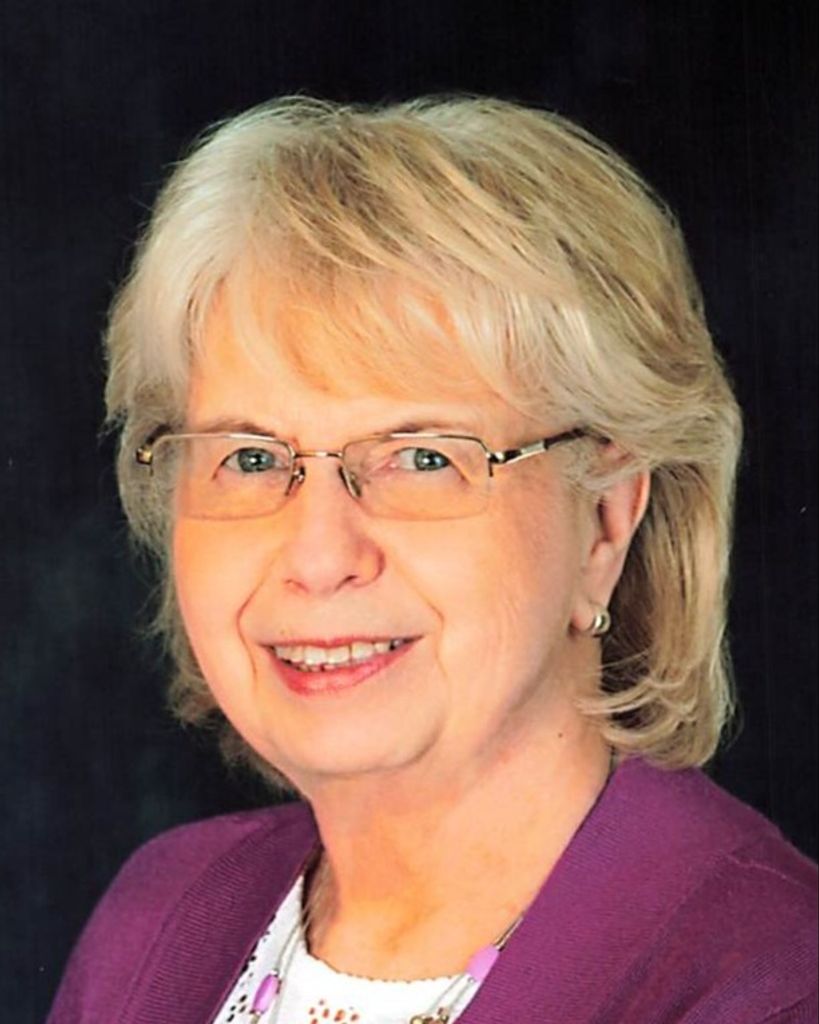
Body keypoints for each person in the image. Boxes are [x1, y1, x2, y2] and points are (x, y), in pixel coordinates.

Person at [47, 96, 816, 1024]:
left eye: (420, 458)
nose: (319, 555)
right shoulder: (156, 921)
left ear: (604, 522)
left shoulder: (770, 985)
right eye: (250, 458)